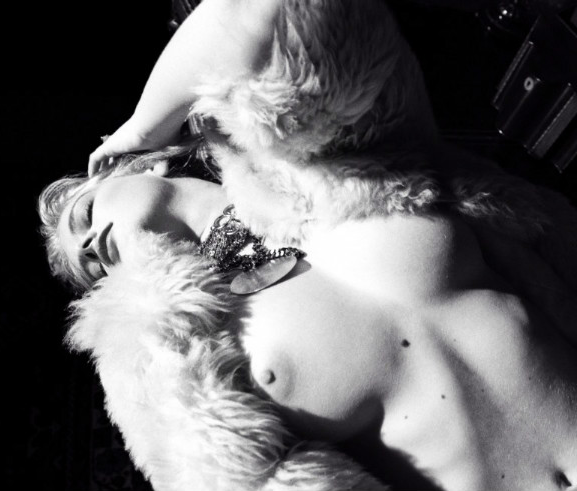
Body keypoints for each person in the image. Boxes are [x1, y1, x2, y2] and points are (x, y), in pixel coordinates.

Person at [40, 0, 577, 490]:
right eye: (90, 269)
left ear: (138, 168)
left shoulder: (337, 160)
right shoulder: (177, 359)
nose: (90, 245)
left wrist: (140, 128)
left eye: (85, 215)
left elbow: (264, 12)